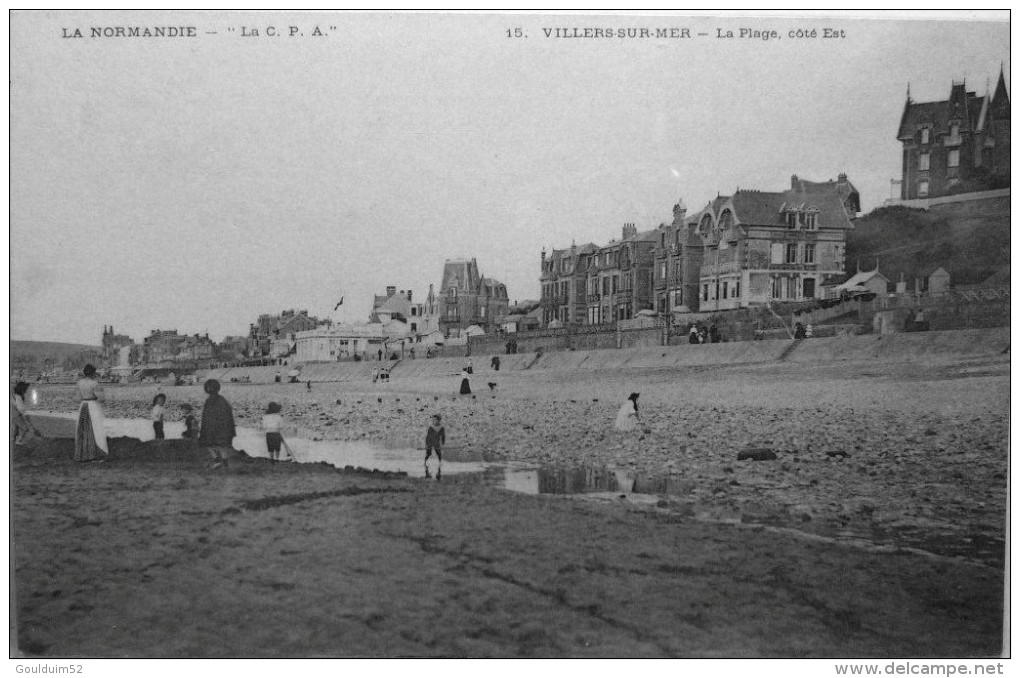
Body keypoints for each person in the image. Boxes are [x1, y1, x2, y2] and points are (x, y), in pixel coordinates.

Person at [199, 379, 236, 469]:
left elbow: (207, 418)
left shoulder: (210, 400)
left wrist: (205, 430)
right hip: (222, 428)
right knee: (221, 446)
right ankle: (224, 463)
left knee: (210, 445)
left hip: (214, 429)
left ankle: (217, 461)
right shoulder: (222, 400)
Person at [74, 364, 108, 462]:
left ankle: (83, 454)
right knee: (96, 429)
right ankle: (95, 454)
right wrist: (102, 391)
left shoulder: (79, 383)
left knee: (84, 429)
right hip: (93, 406)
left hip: (83, 406)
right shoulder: (95, 383)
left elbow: (77, 398)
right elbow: (101, 398)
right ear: (93, 373)